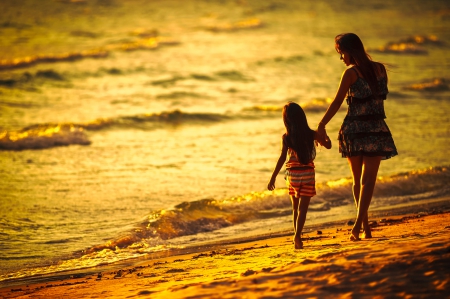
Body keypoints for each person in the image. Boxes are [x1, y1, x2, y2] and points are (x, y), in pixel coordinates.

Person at [316, 33, 398, 241]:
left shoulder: (351, 73)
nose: (341, 58)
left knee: (359, 181)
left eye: (341, 53)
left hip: (355, 128)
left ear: (349, 51)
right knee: (367, 181)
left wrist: (321, 124)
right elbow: (378, 99)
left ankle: (357, 226)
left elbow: (336, 102)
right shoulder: (380, 69)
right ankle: (365, 227)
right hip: (376, 128)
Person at [268, 102, 331, 249]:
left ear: (287, 120)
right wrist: (325, 136)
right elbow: (328, 146)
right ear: (302, 117)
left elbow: (282, 158)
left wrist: (273, 177)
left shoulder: (286, 137)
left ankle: (296, 235)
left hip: (292, 176)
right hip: (307, 174)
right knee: (303, 209)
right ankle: (297, 235)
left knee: (295, 209)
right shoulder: (312, 134)